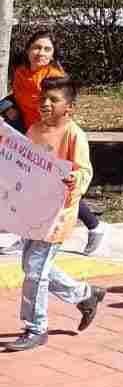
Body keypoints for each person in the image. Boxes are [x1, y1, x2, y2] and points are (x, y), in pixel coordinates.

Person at [6, 77, 106, 352]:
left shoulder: (75, 135)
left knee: (36, 270)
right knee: (33, 268)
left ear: (69, 108)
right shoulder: (34, 129)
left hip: (58, 215)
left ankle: (35, 327)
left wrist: (76, 179)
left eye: (54, 100)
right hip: (32, 211)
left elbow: (84, 171)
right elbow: (23, 164)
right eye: (43, 99)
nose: (46, 104)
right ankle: (85, 295)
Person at [2, 32, 107, 257]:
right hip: (30, 134)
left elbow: (61, 103)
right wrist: (7, 105)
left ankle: (95, 226)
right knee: (33, 189)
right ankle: (27, 234)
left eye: (47, 49)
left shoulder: (55, 77)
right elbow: (19, 97)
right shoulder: (21, 73)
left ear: (53, 54)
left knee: (57, 189)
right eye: (36, 47)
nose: (41, 53)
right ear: (28, 50)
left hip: (54, 136)